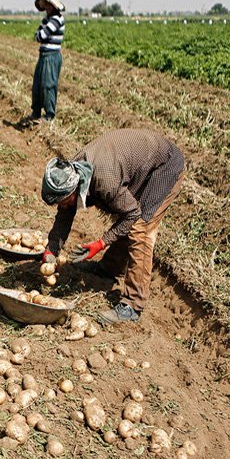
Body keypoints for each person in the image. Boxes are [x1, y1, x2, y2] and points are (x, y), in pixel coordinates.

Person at [40, 129, 186, 324]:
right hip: (140, 164)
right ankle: (109, 269)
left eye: (63, 200)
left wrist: (102, 243)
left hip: (164, 168)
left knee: (140, 228)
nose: (62, 205)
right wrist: (51, 250)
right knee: (125, 214)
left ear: (74, 189)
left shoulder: (104, 181)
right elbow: (65, 214)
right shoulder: (72, 172)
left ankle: (133, 306)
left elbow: (132, 214)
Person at [31, 0, 66, 122]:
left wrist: (40, 34)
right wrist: (40, 34)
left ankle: (49, 115)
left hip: (52, 56)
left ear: (55, 6)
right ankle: (36, 112)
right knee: (38, 85)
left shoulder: (57, 19)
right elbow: (37, 36)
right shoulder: (46, 19)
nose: (48, 7)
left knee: (48, 85)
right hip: (43, 55)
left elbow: (41, 35)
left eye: (50, 5)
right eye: (46, 4)